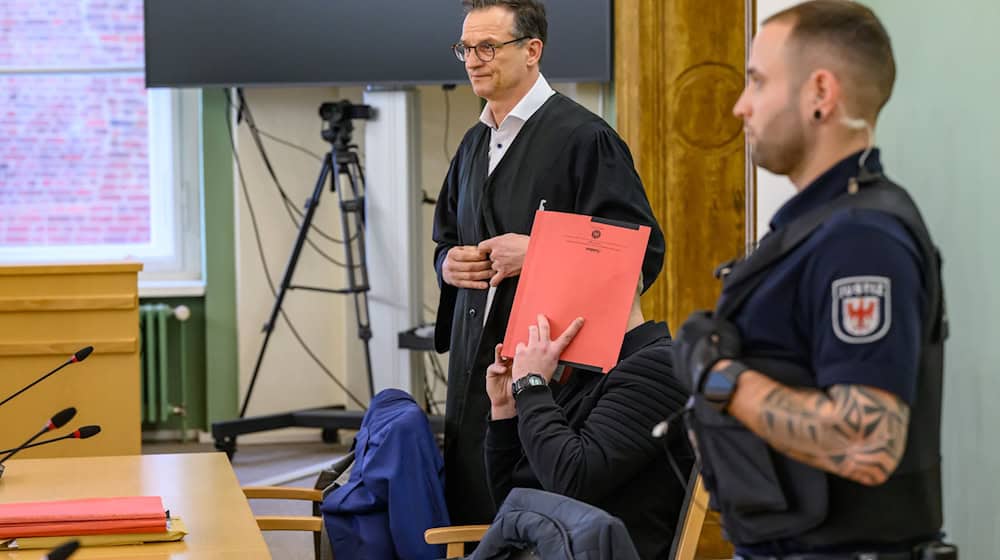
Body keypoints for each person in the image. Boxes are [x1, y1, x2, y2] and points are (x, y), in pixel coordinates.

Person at [672, 1, 954, 559]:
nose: (739, 106)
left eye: (757, 81)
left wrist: (719, 378)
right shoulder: (814, 227)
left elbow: (868, 443)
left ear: (820, 94)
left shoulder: (862, 238)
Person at [432, 0, 664, 525]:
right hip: (479, 368)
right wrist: (448, 265)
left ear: (532, 50)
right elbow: (445, 238)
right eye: (465, 48)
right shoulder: (473, 144)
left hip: (554, 377)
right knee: (472, 509)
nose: (473, 59)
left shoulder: (586, 138)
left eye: (488, 47)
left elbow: (642, 251)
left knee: (529, 521)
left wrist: (538, 251)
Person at [483, 284, 691, 559]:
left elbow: (573, 481)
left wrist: (531, 387)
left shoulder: (659, 364)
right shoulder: (588, 370)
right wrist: (505, 410)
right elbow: (514, 500)